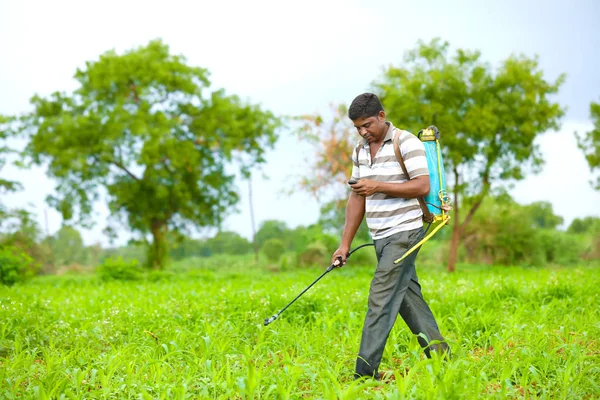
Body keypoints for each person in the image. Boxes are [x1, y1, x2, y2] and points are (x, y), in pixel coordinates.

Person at [330, 92, 450, 380]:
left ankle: (364, 374)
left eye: (367, 124)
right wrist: (344, 244)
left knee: (380, 298)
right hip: (380, 236)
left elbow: (421, 186)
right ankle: (443, 361)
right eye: (358, 127)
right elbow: (357, 197)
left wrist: (377, 186)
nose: (363, 131)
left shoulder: (406, 142)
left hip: (405, 232)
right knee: (408, 298)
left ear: (382, 116)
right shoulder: (360, 150)